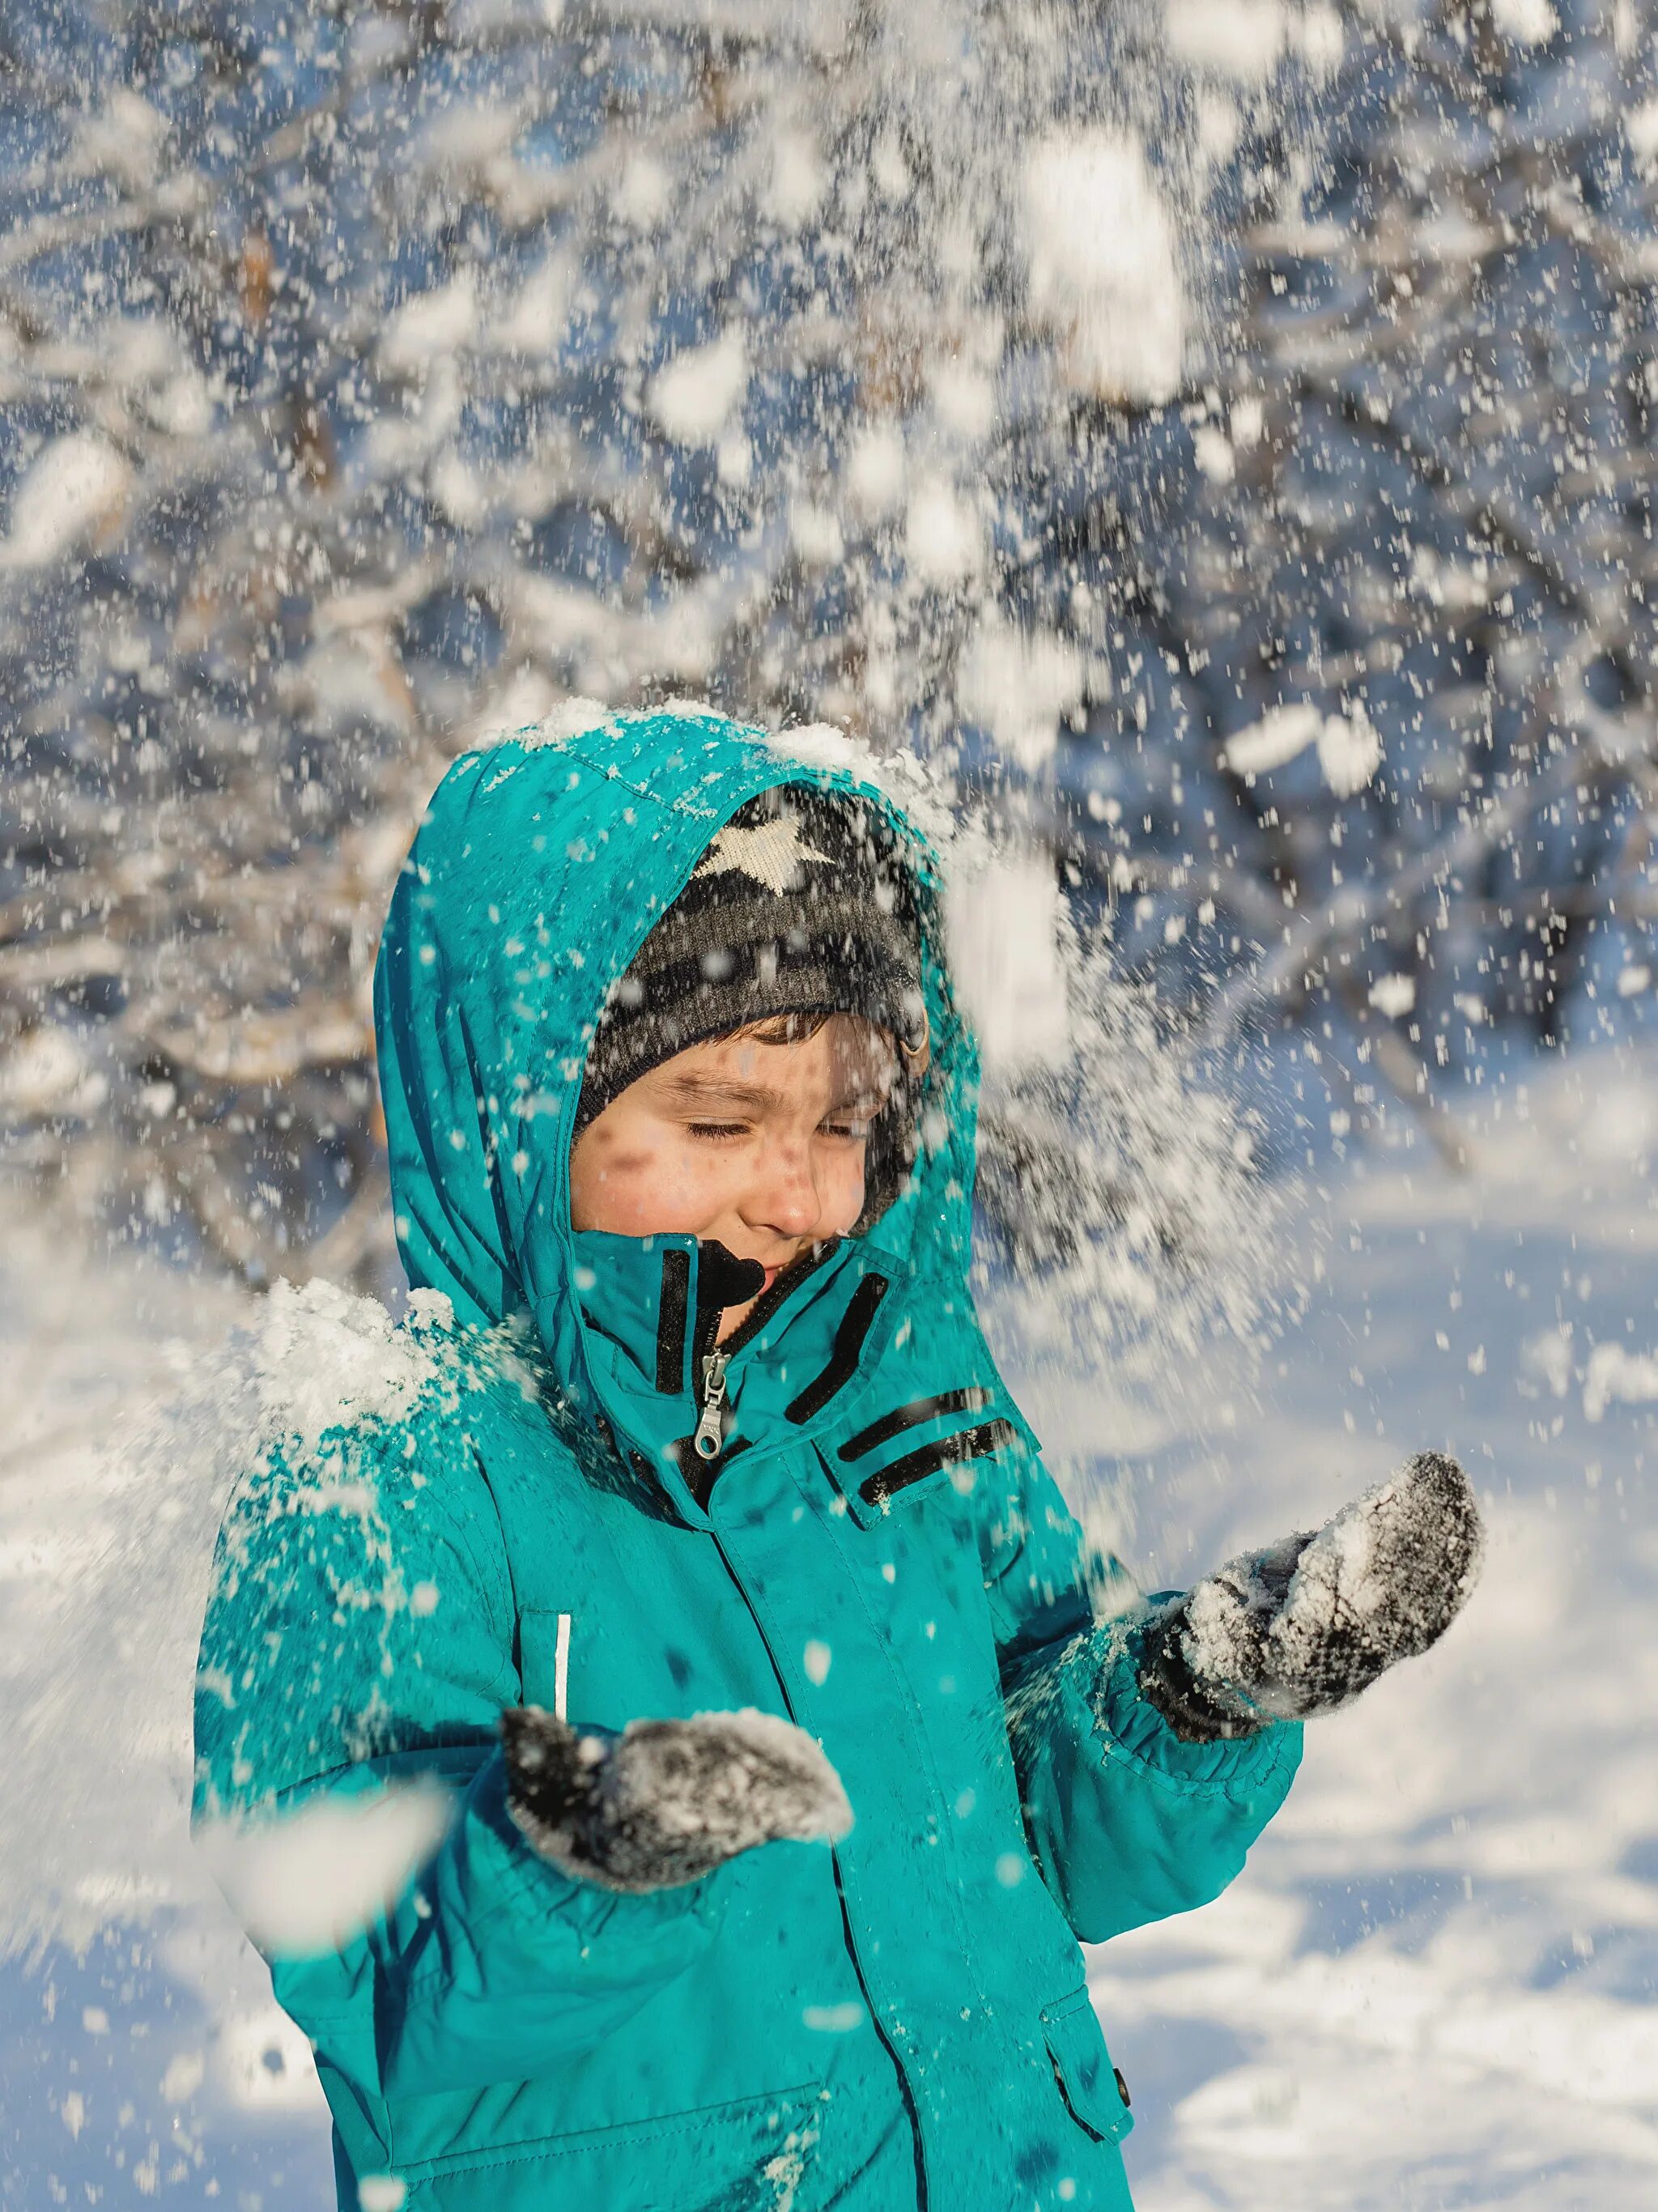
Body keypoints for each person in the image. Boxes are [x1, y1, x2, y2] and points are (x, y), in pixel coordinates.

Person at [193, 705, 1482, 2212]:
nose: (804, 1193)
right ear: (523, 1118)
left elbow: (1035, 1831)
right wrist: (581, 1851)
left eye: (849, 1121)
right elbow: (361, 1953)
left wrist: (1197, 1690)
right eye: (721, 1116)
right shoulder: (384, 1471)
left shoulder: (902, 1414)